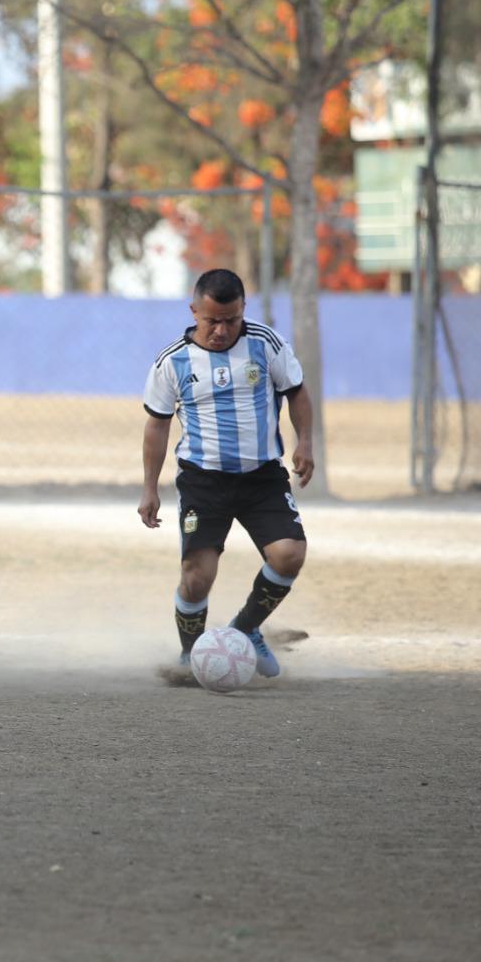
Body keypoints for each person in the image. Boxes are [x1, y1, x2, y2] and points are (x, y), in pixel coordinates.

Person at [138, 268, 313, 679]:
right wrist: (149, 489)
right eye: (211, 320)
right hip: (204, 482)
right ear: (194, 310)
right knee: (197, 577)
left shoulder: (265, 344)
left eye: (231, 320)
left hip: (262, 477)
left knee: (289, 555)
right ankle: (190, 656)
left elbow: (296, 392)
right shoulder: (172, 363)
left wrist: (305, 441)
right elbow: (157, 425)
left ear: (243, 311)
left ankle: (246, 629)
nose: (221, 330)